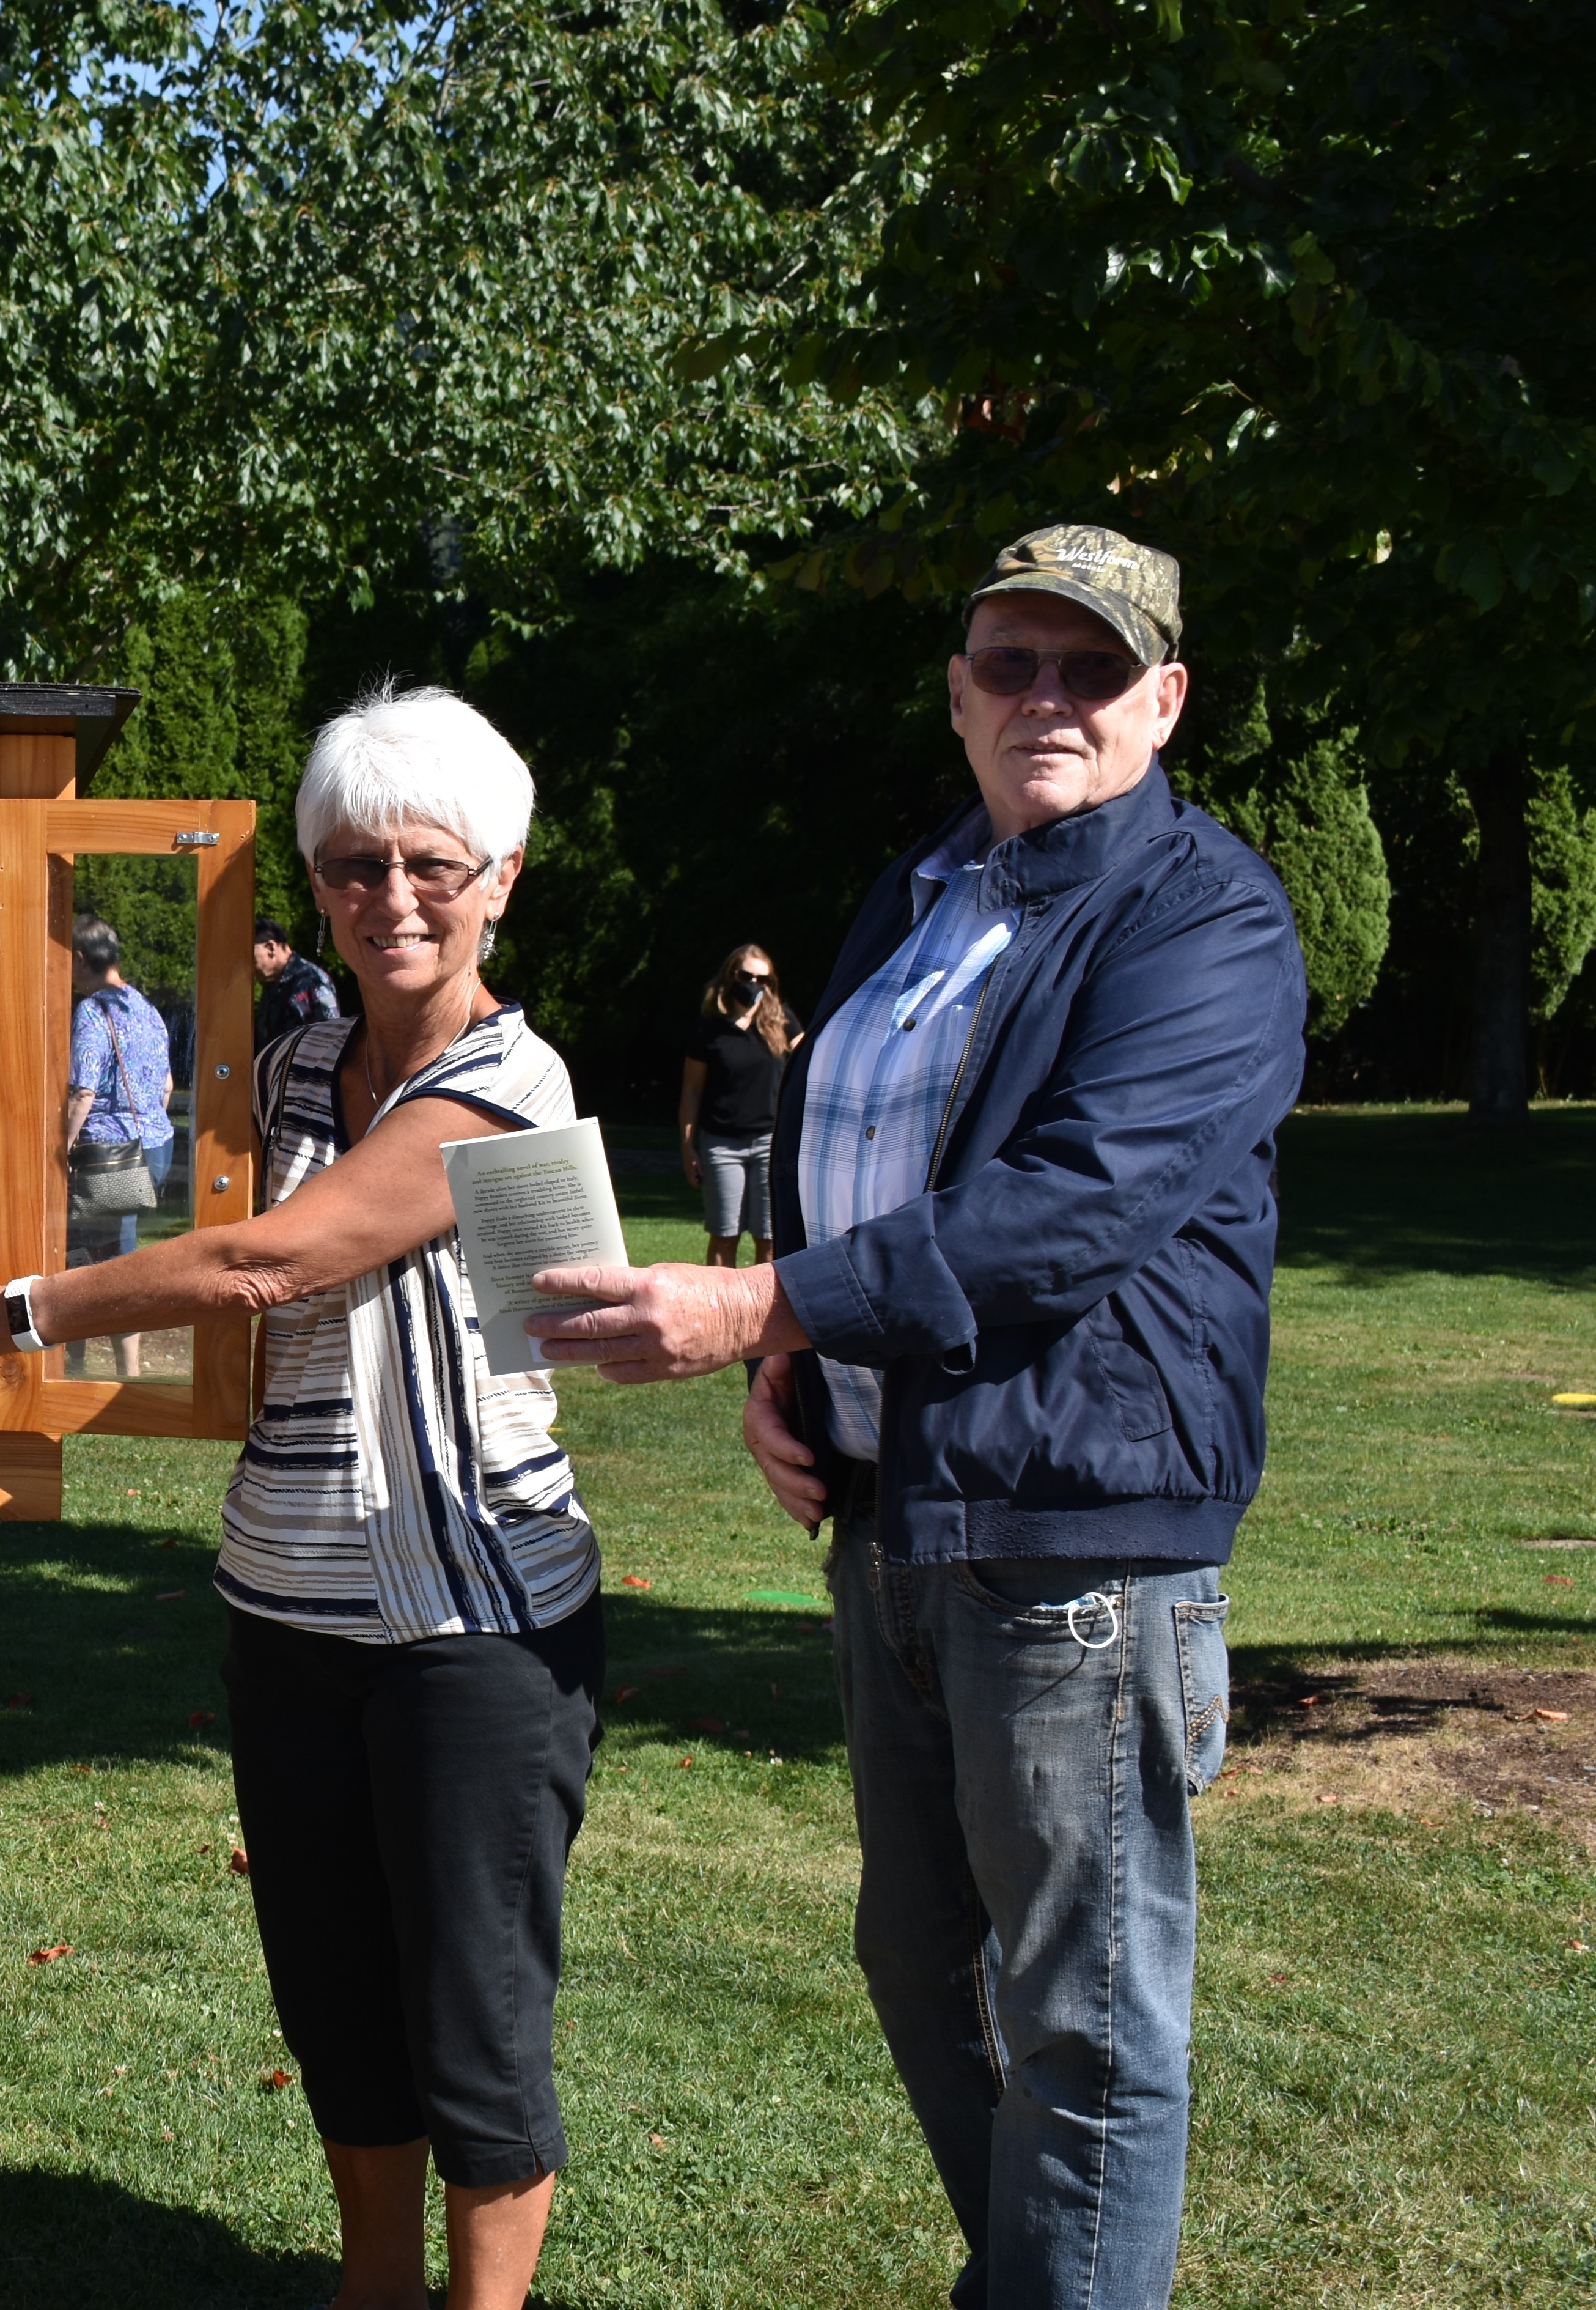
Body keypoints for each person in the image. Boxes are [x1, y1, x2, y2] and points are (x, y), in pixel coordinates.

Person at [524, 525, 1305, 2310]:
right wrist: (789, 1366)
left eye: (1091, 668)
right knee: (914, 1959)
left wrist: (753, 1302)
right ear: (955, 695)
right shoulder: (918, 891)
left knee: (1079, 2013)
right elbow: (848, 1146)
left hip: (1073, 1531)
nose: (1047, 697)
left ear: (1163, 700)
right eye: (1009, 664)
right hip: (895, 1520)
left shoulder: (1200, 911)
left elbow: (1070, 1203)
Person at [0, 685, 597, 2310]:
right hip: (283, 1601)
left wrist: (11, 1310)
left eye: (430, 863)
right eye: (352, 865)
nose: (390, 897)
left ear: (499, 879)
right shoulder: (291, 1063)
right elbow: (160, 1195)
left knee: (473, 2013)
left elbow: (270, 1258)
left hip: (474, 1622)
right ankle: (371, 2289)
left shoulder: (511, 1079)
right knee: (333, 1995)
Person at [62, 915, 174, 1378]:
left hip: (109, 1156)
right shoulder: (144, 1008)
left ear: (79, 959)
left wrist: (62, 1147)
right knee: (103, 1250)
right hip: (154, 1148)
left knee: (103, 1259)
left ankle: (119, 1372)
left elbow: (83, 1092)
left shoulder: (93, 1011)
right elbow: (167, 1087)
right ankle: (85, 1360)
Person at [678, 945, 800, 1265]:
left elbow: (810, 1061)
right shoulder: (709, 1027)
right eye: (747, 976)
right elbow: (692, 1090)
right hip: (721, 1145)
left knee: (770, 1238)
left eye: (763, 979)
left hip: (770, 1142)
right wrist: (688, 1147)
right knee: (724, 1236)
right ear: (731, 975)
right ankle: (718, 1300)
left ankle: (767, 1300)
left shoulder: (781, 1020)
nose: (754, 984)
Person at [254, 914, 345, 1049]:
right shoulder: (273, 985)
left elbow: (329, 1042)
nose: (248, 966)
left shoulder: (310, 982)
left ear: (271, 948)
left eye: (251, 957)